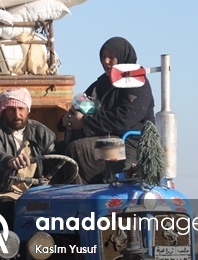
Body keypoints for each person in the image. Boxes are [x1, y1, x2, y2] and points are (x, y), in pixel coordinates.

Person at [60, 37, 156, 184]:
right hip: (104, 137)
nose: (106, 61)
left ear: (122, 57)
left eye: (111, 57)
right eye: (103, 57)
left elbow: (123, 119)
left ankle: (82, 197)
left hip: (129, 143)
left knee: (77, 150)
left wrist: (85, 123)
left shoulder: (136, 82)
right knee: (56, 151)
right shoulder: (102, 83)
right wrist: (67, 120)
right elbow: (82, 103)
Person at [0, 88, 56, 218]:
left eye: (21, 109)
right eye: (11, 110)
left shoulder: (42, 133)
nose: (17, 115)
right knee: (7, 208)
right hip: (3, 192)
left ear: (28, 110)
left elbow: (54, 162)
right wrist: (9, 161)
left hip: (36, 192)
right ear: (4, 112)